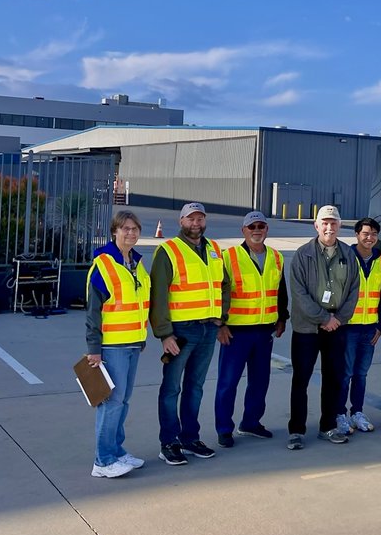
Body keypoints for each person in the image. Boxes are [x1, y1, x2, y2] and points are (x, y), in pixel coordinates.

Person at [150, 201, 231, 466]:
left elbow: (224, 285)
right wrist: (164, 334)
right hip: (181, 331)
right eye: (190, 219)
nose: (195, 224)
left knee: (195, 387)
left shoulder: (214, 250)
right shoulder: (168, 251)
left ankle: (189, 438)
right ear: (181, 221)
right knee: (171, 388)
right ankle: (169, 442)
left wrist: (222, 317)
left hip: (208, 329)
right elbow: (158, 295)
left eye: (200, 219)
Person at [84, 210, 151, 478]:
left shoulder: (136, 262)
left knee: (122, 401)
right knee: (110, 402)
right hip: (112, 346)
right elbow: (93, 312)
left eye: (135, 229)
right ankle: (103, 461)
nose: (131, 233)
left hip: (133, 342)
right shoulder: (103, 264)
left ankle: (117, 451)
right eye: (125, 229)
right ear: (114, 231)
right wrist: (94, 350)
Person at [287, 205, 360, 449]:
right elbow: (298, 293)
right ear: (316, 226)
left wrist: (338, 318)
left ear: (339, 226)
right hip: (307, 329)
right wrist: (323, 318)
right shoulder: (302, 254)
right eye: (325, 223)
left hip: (336, 327)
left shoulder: (348, 255)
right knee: (301, 380)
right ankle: (296, 430)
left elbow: (353, 290)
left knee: (333, 379)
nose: (329, 227)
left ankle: (327, 426)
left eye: (334, 223)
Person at [214, 211, 288, 447]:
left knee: (260, 381)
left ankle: (251, 423)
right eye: (252, 226)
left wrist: (281, 318)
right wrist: (220, 324)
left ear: (267, 229)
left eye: (261, 226)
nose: (257, 230)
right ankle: (225, 428)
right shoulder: (229, 257)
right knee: (228, 383)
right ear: (243, 230)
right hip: (236, 332)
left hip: (264, 331)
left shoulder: (276, 257)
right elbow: (218, 292)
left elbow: (280, 291)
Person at [336, 217, 381, 435]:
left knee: (361, 374)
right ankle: (340, 414)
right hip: (349, 327)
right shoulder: (345, 257)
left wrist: (380, 326)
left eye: (374, 234)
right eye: (365, 233)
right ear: (357, 235)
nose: (370, 238)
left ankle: (357, 412)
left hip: (370, 328)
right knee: (345, 373)